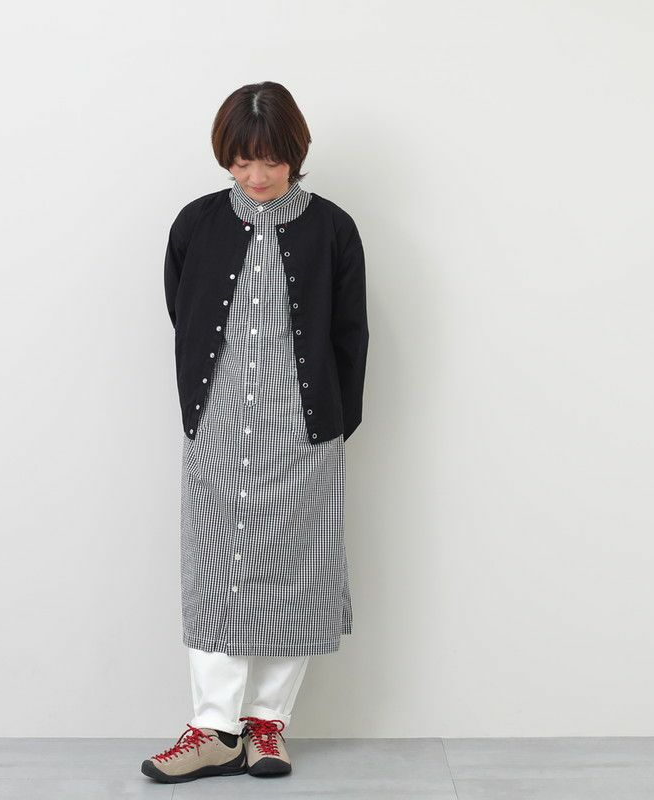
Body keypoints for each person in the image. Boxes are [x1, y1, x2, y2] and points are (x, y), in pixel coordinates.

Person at [142, 81, 369, 784]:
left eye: (269, 160)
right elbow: (183, 314)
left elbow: (350, 333)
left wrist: (331, 427)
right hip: (216, 429)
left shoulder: (332, 229)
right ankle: (214, 729)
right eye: (241, 162)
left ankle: (267, 725)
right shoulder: (196, 224)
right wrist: (202, 410)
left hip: (302, 433)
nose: (256, 175)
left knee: (292, 572)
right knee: (216, 571)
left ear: (295, 153)